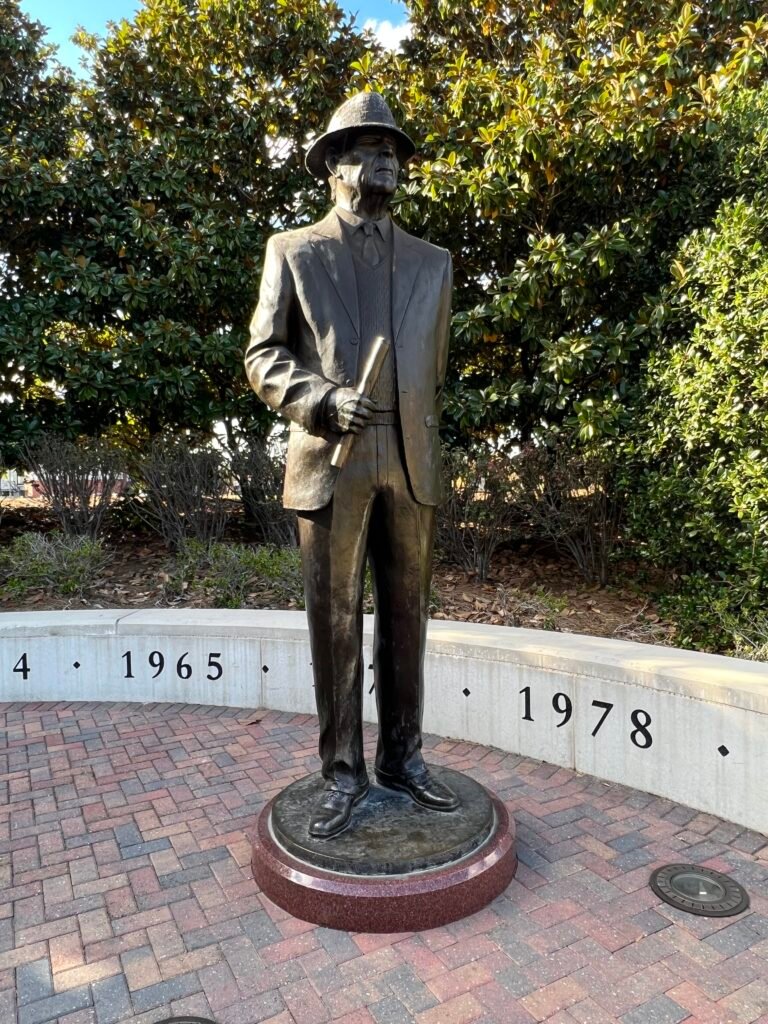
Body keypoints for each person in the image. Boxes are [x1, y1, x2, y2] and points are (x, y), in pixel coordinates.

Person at [245, 91, 458, 838]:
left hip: (410, 462)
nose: (387, 160)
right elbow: (263, 356)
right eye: (369, 149)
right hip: (330, 460)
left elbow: (433, 366)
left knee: (408, 619)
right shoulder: (293, 251)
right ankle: (342, 772)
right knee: (334, 621)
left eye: (393, 150)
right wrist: (322, 399)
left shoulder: (436, 264)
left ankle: (404, 759)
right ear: (334, 167)